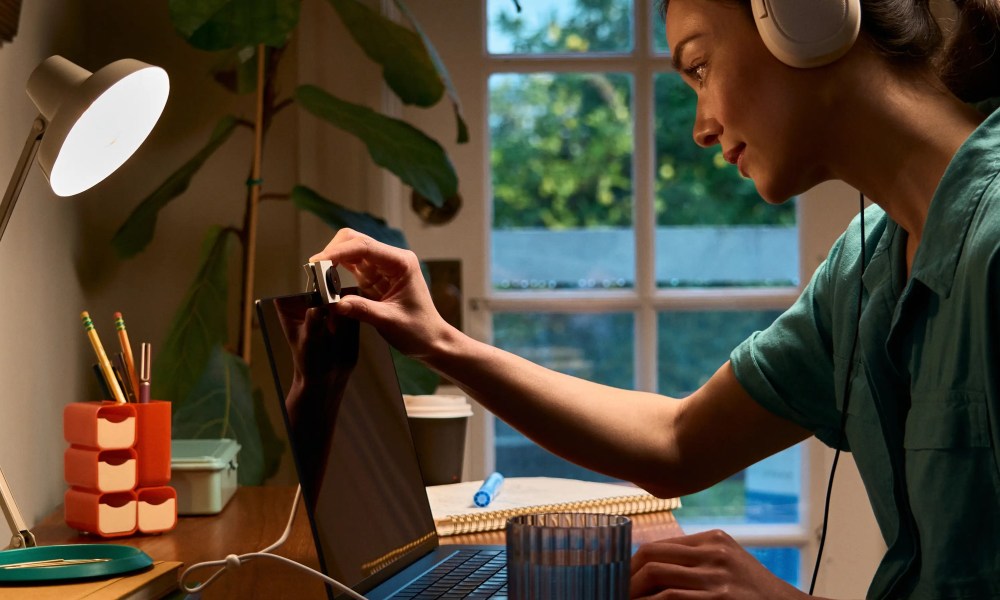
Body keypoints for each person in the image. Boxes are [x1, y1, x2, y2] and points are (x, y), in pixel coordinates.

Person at [309, 0, 1000, 597]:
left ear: (804, 16)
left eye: (700, 68)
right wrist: (439, 341)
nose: (700, 126)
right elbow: (678, 442)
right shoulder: (867, 266)